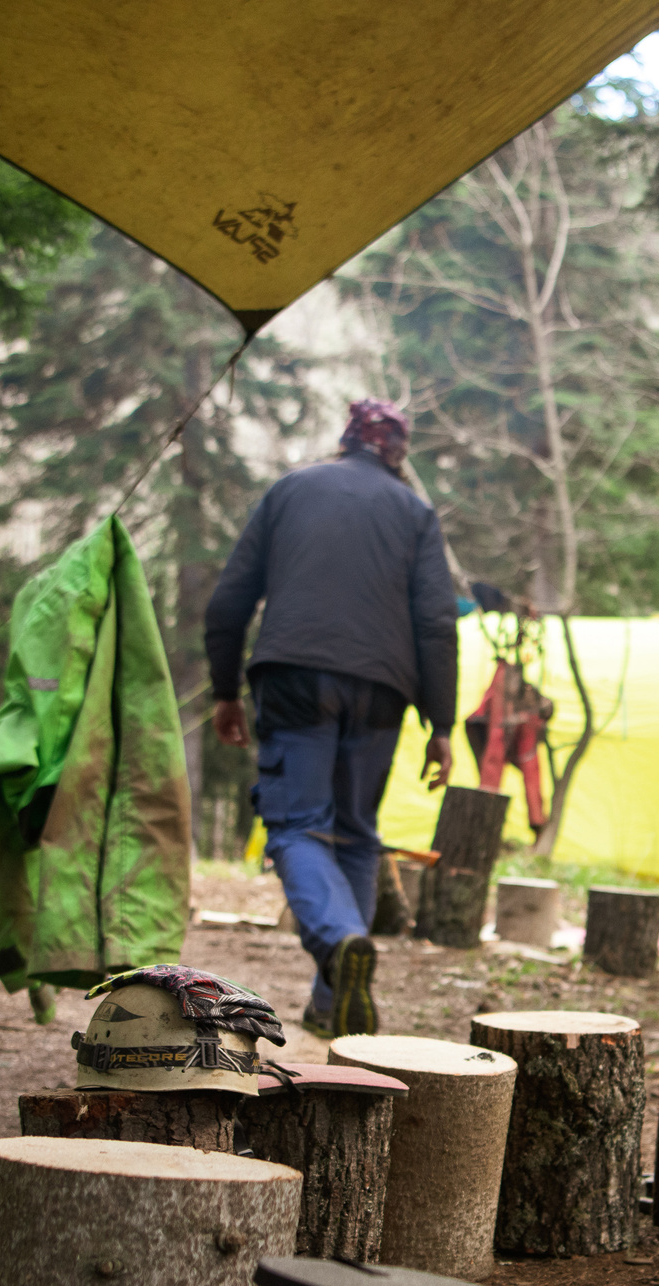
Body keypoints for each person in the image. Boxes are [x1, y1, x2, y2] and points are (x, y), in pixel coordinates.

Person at [204, 398, 458, 1037]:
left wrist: (225, 688)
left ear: (347, 439)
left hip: (293, 677)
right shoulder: (415, 511)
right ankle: (331, 1002)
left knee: (296, 824)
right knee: (354, 833)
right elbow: (435, 622)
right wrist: (442, 723)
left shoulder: (292, 489)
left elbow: (230, 598)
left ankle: (341, 941)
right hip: (382, 689)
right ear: (397, 451)